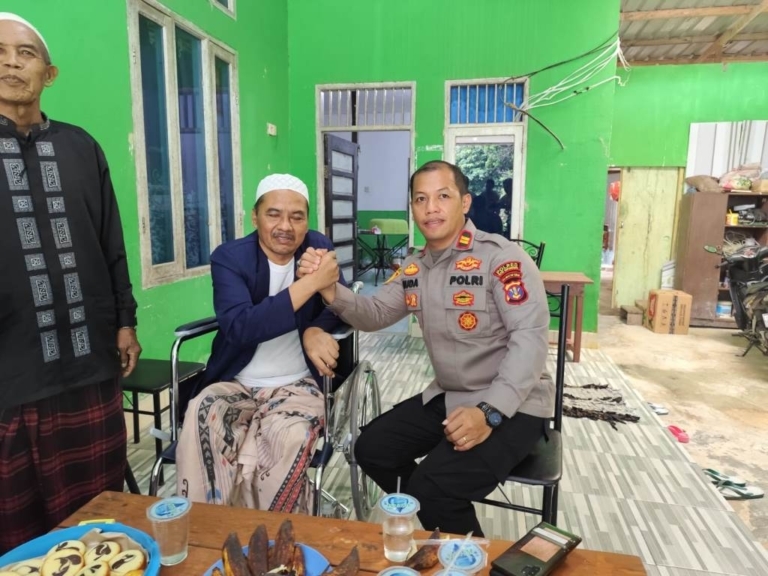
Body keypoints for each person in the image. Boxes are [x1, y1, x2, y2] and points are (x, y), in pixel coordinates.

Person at [299, 161, 552, 535]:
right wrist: (329, 288)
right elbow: (374, 313)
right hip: (450, 396)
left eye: (443, 196)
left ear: (465, 202)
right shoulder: (414, 267)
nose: (431, 208)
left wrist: (489, 413)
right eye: (420, 199)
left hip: (514, 405)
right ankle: (442, 518)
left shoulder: (502, 258)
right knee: (373, 449)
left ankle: (460, 544)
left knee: (435, 488)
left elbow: (530, 340)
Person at [0, 13, 141, 553]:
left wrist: (125, 320)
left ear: (49, 73)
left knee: (99, 518)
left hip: (88, 362)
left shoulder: (81, 148)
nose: (12, 63)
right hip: (11, 374)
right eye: (0, 53)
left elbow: (111, 242)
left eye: (26, 53)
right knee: (17, 537)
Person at [176, 174, 345, 514]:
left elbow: (339, 304)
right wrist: (310, 283)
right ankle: (208, 523)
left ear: (307, 221)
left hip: (297, 383)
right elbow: (241, 328)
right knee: (201, 413)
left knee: (291, 435)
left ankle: (274, 530)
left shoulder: (317, 247)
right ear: (255, 217)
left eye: (297, 217)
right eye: (274, 214)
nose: (285, 226)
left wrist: (314, 329)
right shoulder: (230, 258)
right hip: (236, 381)